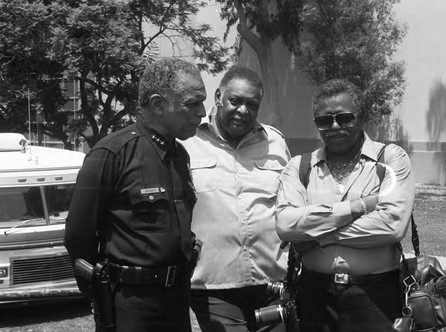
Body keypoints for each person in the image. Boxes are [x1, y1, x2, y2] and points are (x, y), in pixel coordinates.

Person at [64, 57, 207, 332]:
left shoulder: (179, 155)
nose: (202, 112)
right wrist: (99, 293)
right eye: (193, 103)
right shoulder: (112, 153)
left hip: (176, 300)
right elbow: (77, 235)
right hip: (129, 304)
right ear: (157, 104)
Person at [275, 79, 415, 332]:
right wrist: (357, 207)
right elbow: (286, 224)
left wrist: (318, 237)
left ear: (361, 118)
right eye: (324, 120)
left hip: (375, 296)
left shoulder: (390, 160)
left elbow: (392, 225)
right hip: (314, 294)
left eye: (345, 117)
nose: (335, 126)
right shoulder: (299, 167)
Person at [182, 66, 291, 332]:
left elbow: (291, 203)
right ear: (219, 96)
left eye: (252, 104)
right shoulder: (186, 142)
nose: (243, 110)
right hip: (214, 283)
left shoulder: (275, 142)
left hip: (273, 280)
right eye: (235, 101)